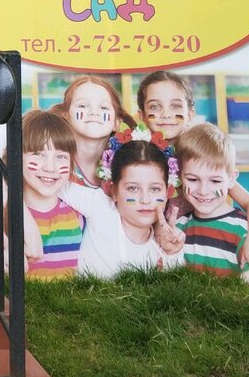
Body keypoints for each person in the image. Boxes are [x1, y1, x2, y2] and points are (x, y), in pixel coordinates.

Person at [135, 70, 249, 277]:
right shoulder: (141, 157)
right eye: (154, 107)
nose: (166, 114)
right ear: (142, 115)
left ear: (190, 114)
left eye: (175, 106)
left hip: (202, 242)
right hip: (159, 248)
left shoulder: (199, 155)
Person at [56, 139, 183, 279]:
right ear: (114, 191)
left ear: (167, 193)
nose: (145, 200)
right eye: (133, 188)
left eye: (155, 189)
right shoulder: (99, 206)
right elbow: (55, 183)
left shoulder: (165, 241)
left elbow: (173, 285)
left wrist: (172, 253)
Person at [174, 123, 249, 282]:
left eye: (215, 181)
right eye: (192, 179)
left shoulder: (241, 228)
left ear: (231, 179)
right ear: (180, 177)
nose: (203, 191)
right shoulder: (180, 225)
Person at [19, 110, 85, 279]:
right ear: (17, 157)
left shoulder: (79, 216)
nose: (50, 167)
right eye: (38, 154)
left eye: (61, 157)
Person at [50, 76, 136, 190]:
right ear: (66, 116)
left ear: (117, 122)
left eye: (104, 107)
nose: (94, 112)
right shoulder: (51, 165)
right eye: (83, 105)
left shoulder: (127, 167)